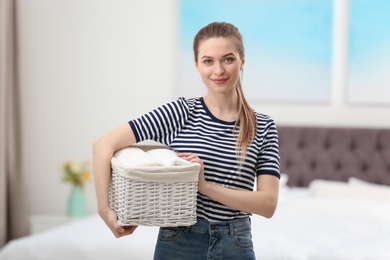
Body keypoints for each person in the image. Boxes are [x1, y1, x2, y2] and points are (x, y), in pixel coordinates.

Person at [93, 21, 280, 260]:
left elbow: (268, 204)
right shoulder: (181, 112)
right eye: (208, 61)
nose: (218, 70)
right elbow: (102, 146)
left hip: (236, 242)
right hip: (179, 241)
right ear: (196, 64)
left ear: (242, 60)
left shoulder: (262, 126)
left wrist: (204, 186)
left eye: (228, 59)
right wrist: (104, 210)